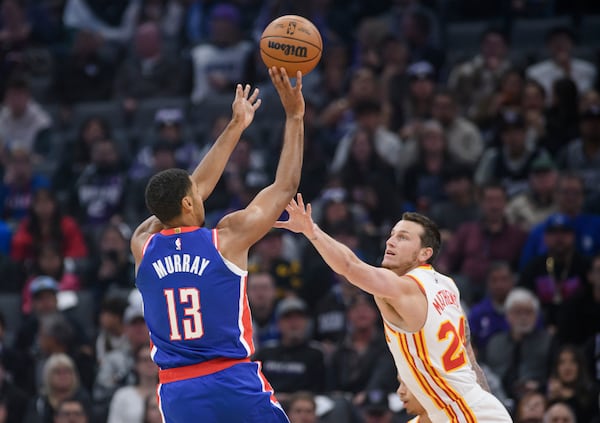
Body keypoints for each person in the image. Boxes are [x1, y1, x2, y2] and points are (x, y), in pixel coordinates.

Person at [130, 67, 304, 422]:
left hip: (177, 391)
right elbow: (284, 188)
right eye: (195, 194)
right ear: (188, 203)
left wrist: (236, 125)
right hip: (230, 380)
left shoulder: (142, 245)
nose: (203, 191)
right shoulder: (226, 239)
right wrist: (295, 115)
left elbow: (191, 189)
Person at [275, 195, 512, 422]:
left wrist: (311, 230)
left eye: (403, 237)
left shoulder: (403, 288)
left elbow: (349, 266)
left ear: (424, 253)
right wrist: (486, 402)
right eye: (392, 235)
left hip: (463, 413)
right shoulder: (448, 285)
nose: (390, 241)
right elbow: (469, 357)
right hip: (475, 406)